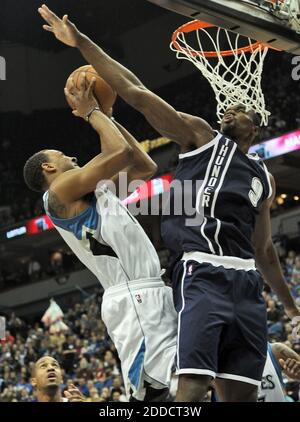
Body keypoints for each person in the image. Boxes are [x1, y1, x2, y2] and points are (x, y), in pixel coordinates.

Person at [37, 4, 300, 402]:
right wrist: (83, 45)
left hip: (243, 280)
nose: (227, 107)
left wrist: (292, 309)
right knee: (186, 389)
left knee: (235, 393)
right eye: (224, 106)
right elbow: (137, 93)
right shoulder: (200, 136)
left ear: (257, 115)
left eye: (238, 108)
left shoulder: (263, 175)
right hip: (196, 274)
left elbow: (264, 249)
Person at [23, 72, 177, 401]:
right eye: (62, 156)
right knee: (154, 397)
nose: (72, 157)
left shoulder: (91, 188)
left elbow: (144, 165)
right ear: (49, 169)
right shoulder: (59, 193)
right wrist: (94, 112)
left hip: (150, 290)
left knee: (181, 392)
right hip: (132, 297)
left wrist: (106, 116)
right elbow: (119, 152)